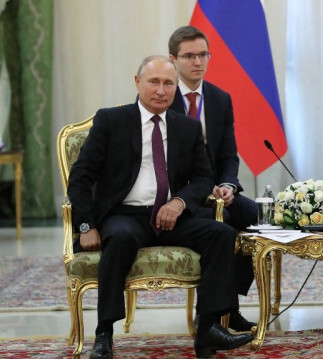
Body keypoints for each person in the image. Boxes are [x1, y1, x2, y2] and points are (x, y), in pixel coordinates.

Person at [67, 55, 253, 358]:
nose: (161, 90)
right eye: (153, 81)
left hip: (172, 216)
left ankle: (208, 328)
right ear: (138, 82)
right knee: (121, 238)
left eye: (168, 83)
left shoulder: (188, 128)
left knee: (221, 233)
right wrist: (86, 226)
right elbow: (80, 178)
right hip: (125, 215)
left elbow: (204, 177)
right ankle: (104, 333)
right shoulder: (111, 120)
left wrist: (180, 202)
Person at [167, 25, 258, 332]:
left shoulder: (220, 99)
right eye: (189, 56)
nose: (198, 62)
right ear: (173, 59)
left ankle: (230, 303)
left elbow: (229, 156)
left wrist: (229, 185)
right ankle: (212, 311)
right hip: (181, 193)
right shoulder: (162, 97)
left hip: (218, 189)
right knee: (223, 223)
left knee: (256, 217)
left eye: (203, 54)